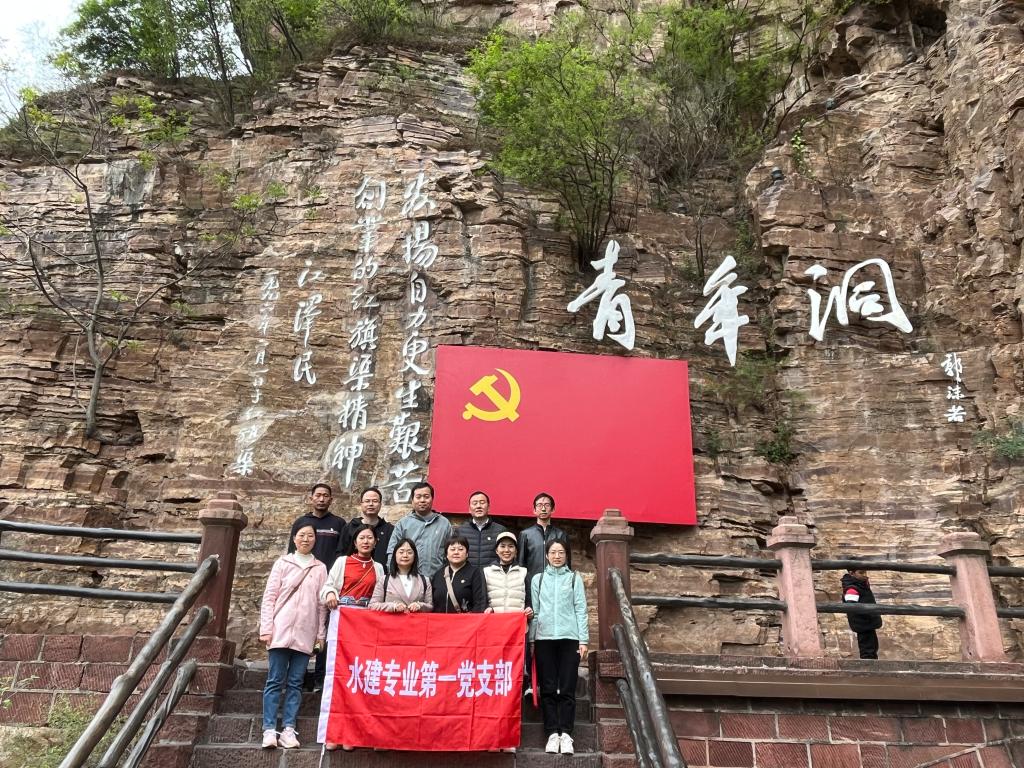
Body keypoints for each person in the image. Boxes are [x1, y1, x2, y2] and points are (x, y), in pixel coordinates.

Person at [259, 523, 327, 750]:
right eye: (301, 535)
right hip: (280, 629)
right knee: (274, 680)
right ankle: (269, 729)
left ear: (315, 539)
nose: (306, 539)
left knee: (296, 682)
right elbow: (270, 597)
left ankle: (289, 728)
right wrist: (266, 628)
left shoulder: (320, 568)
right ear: (294, 538)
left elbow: (321, 605)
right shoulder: (283, 563)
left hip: (305, 633)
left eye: (310, 535)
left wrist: (320, 634)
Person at [320, 524, 385, 751]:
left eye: (370, 538)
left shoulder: (378, 568)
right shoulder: (342, 562)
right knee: (340, 676)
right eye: (362, 538)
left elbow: (380, 596)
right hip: (344, 620)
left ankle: (353, 733)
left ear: (376, 542)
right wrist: (330, 594)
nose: (366, 541)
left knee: (361, 678)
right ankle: (334, 732)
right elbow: (328, 586)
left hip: (366, 625)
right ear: (355, 542)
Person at [530, 539, 588, 756]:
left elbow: (581, 610)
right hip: (544, 639)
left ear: (566, 555)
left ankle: (566, 733)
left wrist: (583, 640)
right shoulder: (538, 579)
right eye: (553, 552)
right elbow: (535, 611)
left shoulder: (574, 579)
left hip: (569, 638)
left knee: (567, 687)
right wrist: (532, 641)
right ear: (546, 555)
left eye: (561, 552)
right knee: (547, 688)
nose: (557, 556)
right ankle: (552, 733)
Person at [386, 482, 452, 580]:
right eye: (418, 497)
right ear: (412, 500)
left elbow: (451, 552)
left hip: (437, 579)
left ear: (432, 499)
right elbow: (392, 551)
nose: (422, 500)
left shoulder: (444, 523)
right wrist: (394, 576)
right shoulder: (403, 524)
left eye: (426, 496)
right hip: (408, 579)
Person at [287, 483, 346, 571]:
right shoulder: (301, 522)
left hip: (330, 573)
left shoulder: (339, 523)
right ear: (311, 499)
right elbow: (292, 550)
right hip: (303, 572)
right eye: (318, 495)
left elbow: (342, 553)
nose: (321, 499)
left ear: (330, 500)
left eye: (325, 496)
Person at [518, 492, 571, 588]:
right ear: (534, 510)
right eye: (539, 505)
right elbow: (521, 564)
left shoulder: (561, 534)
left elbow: (567, 564)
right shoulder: (525, 534)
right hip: (532, 585)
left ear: (553, 509)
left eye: (547, 505)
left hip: (555, 585)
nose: (543, 509)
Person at [370, 537, 433, 613]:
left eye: (409, 552)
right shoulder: (384, 580)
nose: (405, 555)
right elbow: (373, 605)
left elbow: (430, 606)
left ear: (415, 556)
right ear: (395, 555)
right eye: (401, 552)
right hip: (392, 620)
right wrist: (392, 606)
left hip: (416, 620)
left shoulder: (425, 580)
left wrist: (420, 605)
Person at [336, 487, 393, 567]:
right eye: (367, 501)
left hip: (382, 573)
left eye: (375, 501)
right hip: (353, 572)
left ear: (380, 504)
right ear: (361, 504)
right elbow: (341, 552)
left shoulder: (389, 530)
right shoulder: (350, 527)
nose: (371, 504)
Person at [431, 534, 488, 613]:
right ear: (446, 554)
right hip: (439, 620)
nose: (456, 552)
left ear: (467, 554)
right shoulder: (438, 575)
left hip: (465, 620)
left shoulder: (475, 573)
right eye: (452, 549)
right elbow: (431, 603)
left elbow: (480, 603)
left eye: (460, 549)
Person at [483, 531, 532, 617]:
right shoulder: (486, 572)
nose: (506, 550)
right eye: (502, 546)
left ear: (516, 551)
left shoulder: (524, 572)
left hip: (516, 622)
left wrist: (529, 610)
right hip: (493, 621)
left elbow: (529, 601)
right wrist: (487, 608)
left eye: (511, 546)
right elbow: (481, 601)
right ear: (496, 550)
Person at [456, 490, 508, 568]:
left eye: (482, 502)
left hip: (492, 574)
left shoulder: (500, 530)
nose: (478, 506)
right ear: (469, 509)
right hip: (468, 574)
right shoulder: (460, 531)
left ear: (488, 507)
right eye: (475, 503)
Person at [842, 568, 882, 659]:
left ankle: (872, 664)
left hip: (869, 622)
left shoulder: (861, 585)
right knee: (867, 648)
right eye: (861, 572)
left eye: (865, 572)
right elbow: (851, 606)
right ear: (851, 573)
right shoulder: (852, 589)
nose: (865, 575)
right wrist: (866, 614)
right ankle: (868, 665)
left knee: (873, 646)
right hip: (863, 623)